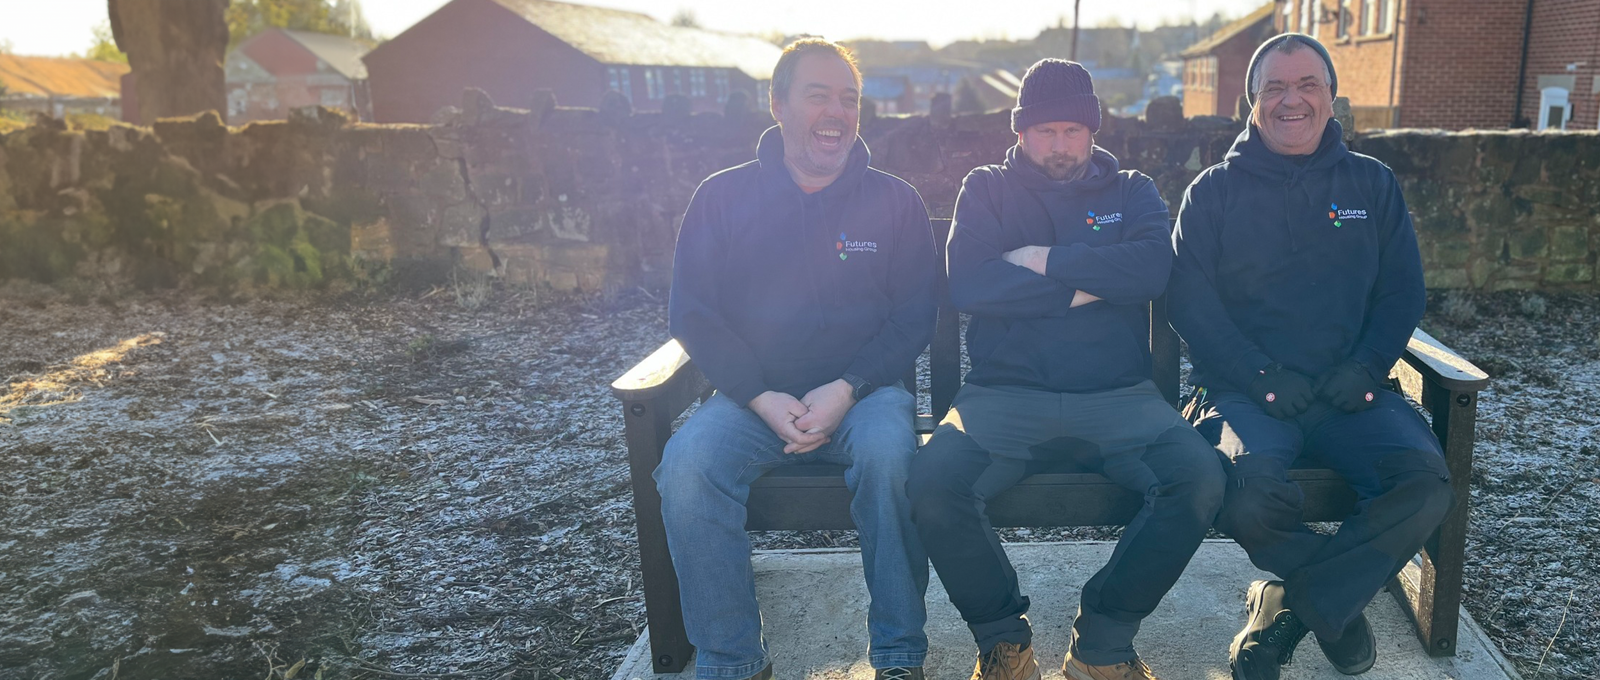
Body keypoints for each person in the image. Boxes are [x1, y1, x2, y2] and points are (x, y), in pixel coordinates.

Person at [906, 58, 1225, 680]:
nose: (1060, 145)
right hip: (1004, 397)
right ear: (1021, 132)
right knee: (932, 483)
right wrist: (1086, 286)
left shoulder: (1131, 191)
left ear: (1093, 131)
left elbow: (1151, 270)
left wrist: (1041, 259)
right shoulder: (987, 188)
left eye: (1073, 131)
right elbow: (970, 281)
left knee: (1199, 480)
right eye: (1046, 131)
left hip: (1119, 398)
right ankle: (1004, 642)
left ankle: (1102, 646)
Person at [1166, 33, 1454, 680]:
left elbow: (1403, 290)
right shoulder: (1212, 193)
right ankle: (1337, 610)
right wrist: (1259, 377)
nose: (1290, 100)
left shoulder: (1370, 183)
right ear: (1251, 102)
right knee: (1244, 496)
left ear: (1331, 99)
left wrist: (1365, 366)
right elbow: (1191, 305)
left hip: (1352, 392)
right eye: (1274, 87)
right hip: (1246, 395)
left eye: (1307, 86)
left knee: (1426, 484)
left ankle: (1290, 607)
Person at [656, 38, 939, 680]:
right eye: (818, 95)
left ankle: (898, 657)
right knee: (688, 469)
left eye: (849, 98)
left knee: (893, 462)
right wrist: (758, 395)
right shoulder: (721, 198)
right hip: (751, 400)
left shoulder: (894, 202)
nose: (836, 112)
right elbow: (694, 313)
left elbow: (915, 313)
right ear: (778, 103)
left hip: (866, 399)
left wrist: (849, 386)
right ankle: (732, 662)